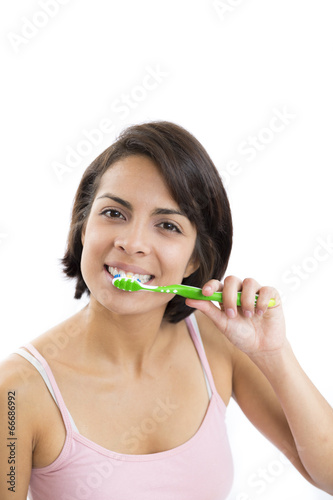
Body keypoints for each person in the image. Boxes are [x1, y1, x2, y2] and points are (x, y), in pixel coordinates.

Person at [0, 121, 332, 500]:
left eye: (167, 225)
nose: (132, 242)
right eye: (113, 213)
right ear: (82, 227)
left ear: (195, 259)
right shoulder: (15, 394)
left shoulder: (216, 344)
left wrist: (274, 355)